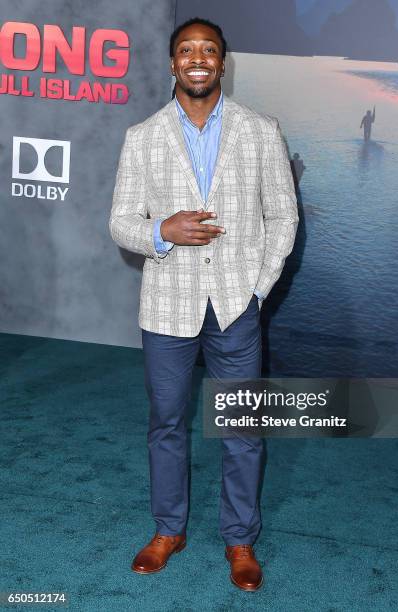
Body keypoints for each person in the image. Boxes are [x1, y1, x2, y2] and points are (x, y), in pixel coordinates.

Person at [109, 17, 299, 591]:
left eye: (208, 50)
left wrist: (257, 290)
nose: (197, 58)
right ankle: (169, 530)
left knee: (241, 428)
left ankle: (240, 540)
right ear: (172, 64)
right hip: (167, 306)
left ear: (223, 62)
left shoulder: (261, 130)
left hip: (236, 307)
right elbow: (121, 223)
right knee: (166, 422)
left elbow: (283, 218)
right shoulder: (142, 137)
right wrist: (161, 231)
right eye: (186, 50)